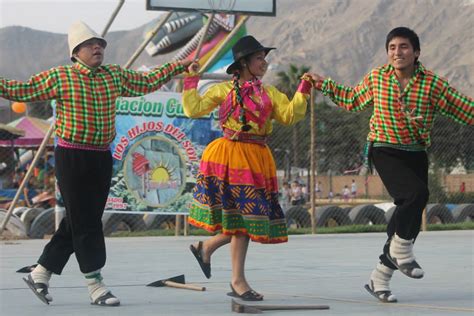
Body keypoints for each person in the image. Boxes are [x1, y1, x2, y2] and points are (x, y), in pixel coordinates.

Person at [0, 21, 191, 306]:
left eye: (100, 44)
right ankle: (96, 284)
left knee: (82, 218)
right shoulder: (61, 76)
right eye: (91, 44)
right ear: (76, 52)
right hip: (71, 156)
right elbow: (23, 90)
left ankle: (41, 272)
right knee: (87, 221)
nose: (98, 48)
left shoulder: (113, 75)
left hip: (101, 156)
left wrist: (178, 66)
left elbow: (146, 82)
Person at [311, 26, 473, 303]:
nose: (397, 52)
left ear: (417, 52)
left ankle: (379, 279)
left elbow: (464, 108)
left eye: (404, 47)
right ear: (388, 53)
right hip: (384, 149)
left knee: (407, 220)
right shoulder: (377, 77)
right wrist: (323, 83)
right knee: (416, 196)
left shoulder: (433, 84)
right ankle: (401, 252)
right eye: (392, 48)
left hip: (416, 152)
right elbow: (352, 99)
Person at [182, 35, 313, 301]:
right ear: (243, 63)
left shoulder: (270, 93)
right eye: (259, 58)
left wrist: (303, 89)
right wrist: (190, 81)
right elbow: (193, 109)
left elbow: (290, 116)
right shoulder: (223, 91)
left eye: (265, 58)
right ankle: (236, 279)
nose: (264, 63)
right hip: (228, 157)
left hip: (256, 159)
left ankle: (206, 248)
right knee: (242, 221)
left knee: (244, 220)